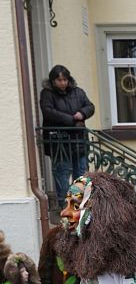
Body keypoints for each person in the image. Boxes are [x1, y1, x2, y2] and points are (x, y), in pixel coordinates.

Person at [39, 65, 95, 205]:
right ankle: (65, 205)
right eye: (59, 80)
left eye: (65, 79)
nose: (63, 83)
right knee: (62, 172)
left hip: (78, 139)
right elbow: (48, 112)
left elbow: (90, 106)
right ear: (53, 81)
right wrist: (72, 119)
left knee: (80, 173)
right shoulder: (47, 94)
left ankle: (79, 204)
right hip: (59, 141)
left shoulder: (78, 92)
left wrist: (82, 113)